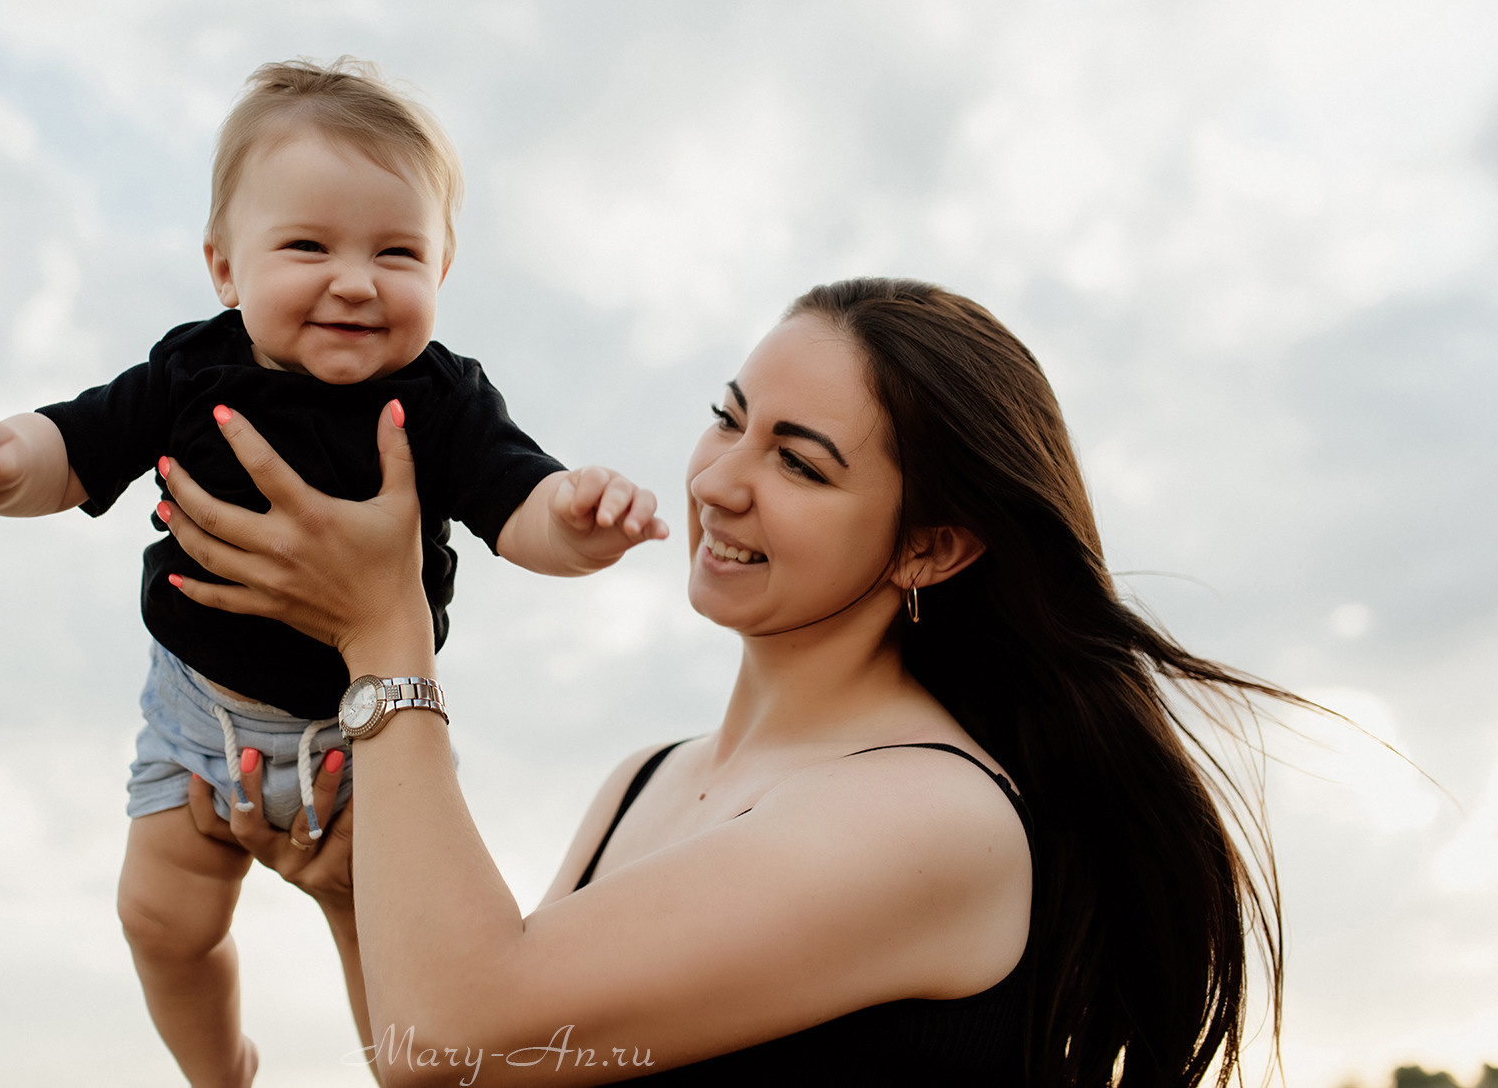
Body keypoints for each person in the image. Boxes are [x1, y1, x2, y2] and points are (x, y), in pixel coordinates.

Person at [159, 277, 1297, 1086]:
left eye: (800, 463)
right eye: (727, 418)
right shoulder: (641, 781)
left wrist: (384, 634)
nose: (720, 482)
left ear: (929, 549)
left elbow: (466, 1026)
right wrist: (360, 902)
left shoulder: (934, 816)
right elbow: (455, 1072)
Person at [0, 59, 668, 1088]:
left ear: (441, 272)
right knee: (159, 919)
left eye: (396, 252)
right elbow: (76, 444)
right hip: (193, 716)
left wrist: (578, 521)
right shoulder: (192, 368)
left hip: (363, 734)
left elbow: (516, 504)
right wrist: (0, 460)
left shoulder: (439, 399)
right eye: (308, 245)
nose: (354, 279)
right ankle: (219, 1069)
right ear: (225, 269)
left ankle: (407, 1073)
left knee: (399, 969)